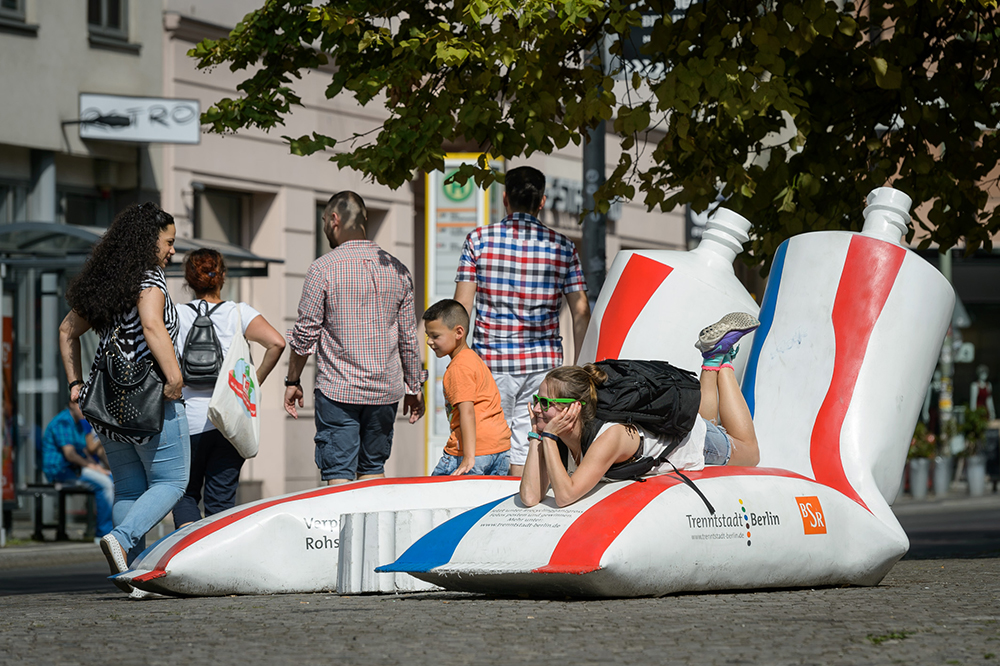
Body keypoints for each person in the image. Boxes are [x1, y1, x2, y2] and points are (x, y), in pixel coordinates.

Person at [59, 202, 189, 596]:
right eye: (168, 242)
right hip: (150, 399)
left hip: (107, 404)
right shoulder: (150, 278)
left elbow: (66, 331)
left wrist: (75, 384)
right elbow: (151, 325)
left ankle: (131, 576)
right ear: (148, 241)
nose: (172, 251)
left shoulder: (109, 283)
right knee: (173, 481)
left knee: (129, 489)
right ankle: (122, 538)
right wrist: (175, 377)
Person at [520, 313, 761, 508]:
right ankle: (712, 358)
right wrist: (535, 436)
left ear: (574, 408)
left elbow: (565, 496)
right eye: (537, 399)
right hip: (685, 430)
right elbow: (530, 497)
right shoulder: (560, 434)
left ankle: (725, 363)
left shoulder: (609, 436)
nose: (537, 409)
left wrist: (548, 438)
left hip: (694, 441)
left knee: (749, 453)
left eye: (545, 403)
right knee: (708, 422)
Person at [454, 166, 591, 477]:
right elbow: (581, 311)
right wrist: (580, 367)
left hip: (491, 363)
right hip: (543, 366)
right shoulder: (563, 247)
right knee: (529, 444)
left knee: (488, 446)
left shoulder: (478, 240)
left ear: (505, 198)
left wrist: (459, 362)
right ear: (542, 201)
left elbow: (462, 306)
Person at [285, 191, 426, 485]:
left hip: (338, 390)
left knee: (338, 475)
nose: (325, 227)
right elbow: (408, 339)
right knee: (373, 470)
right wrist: (414, 387)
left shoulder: (323, 268)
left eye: (324, 220)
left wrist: (292, 381)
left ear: (334, 219)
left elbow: (305, 334)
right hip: (384, 392)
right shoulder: (398, 270)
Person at [171, 249, 286, 528]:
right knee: (220, 503)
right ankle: (215, 550)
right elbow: (277, 343)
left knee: (184, 495)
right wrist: (253, 384)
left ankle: (189, 547)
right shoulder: (239, 313)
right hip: (229, 421)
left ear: (189, 279)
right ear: (222, 276)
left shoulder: (176, 314)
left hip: (186, 420)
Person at [423, 299, 511, 476]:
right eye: (428, 335)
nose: (429, 342)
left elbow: (467, 412)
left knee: (434, 491)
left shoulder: (459, 368)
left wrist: (469, 457)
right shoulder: (473, 360)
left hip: (472, 453)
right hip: (500, 449)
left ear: (458, 332)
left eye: (435, 336)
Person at [40, 402, 114, 538]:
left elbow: (84, 451)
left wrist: (98, 467)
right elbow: (70, 454)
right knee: (105, 485)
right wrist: (92, 467)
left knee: (112, 479)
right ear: (71, 404)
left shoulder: (78, 423)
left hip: (75, 469)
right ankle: (103, 533)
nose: (84, 409)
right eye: (81, 405)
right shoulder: (63, 422)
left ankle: (116, 529)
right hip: (61, 471)